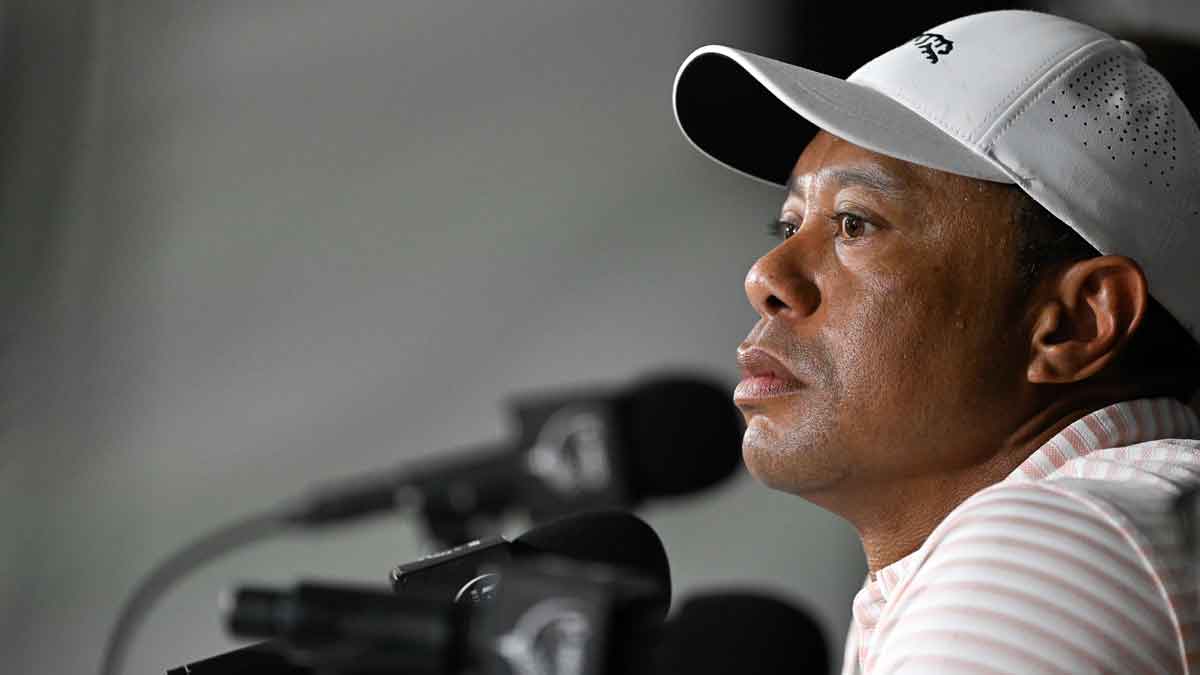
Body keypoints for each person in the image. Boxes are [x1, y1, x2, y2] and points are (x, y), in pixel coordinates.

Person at [672, 10, 1200, 674]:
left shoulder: (1040, 553)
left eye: (854, 223)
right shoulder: (1097, 529)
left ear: (1075, 322)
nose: (765, 277)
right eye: (789, 227)